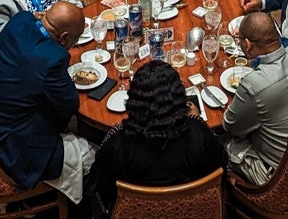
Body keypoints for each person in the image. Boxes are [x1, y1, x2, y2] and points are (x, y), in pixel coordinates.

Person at [0, 2, 93, 205]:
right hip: (8, 147)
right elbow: (69, 104)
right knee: (90, 156)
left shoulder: (20, 20)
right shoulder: (53, 58)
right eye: (74, 41)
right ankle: (43, 204)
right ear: (64, 38)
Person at [83, 61, 226, 219]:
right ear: (179, 97)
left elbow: (98, 183)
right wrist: (196, 120)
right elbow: (221, 163)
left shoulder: (119, 141)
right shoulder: (198, 131)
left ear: (135, 100)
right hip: (192, 213)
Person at [220, 13, 288, 185]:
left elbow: (230, 127)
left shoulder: (254, 84)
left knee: (220, 141)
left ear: (247, 44)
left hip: (281, 178)